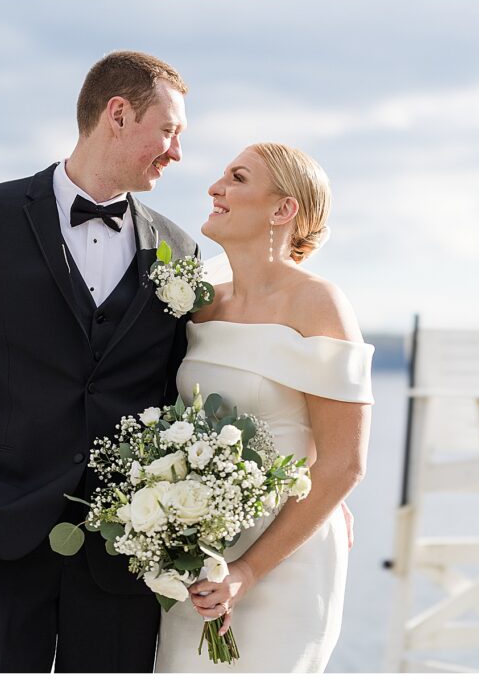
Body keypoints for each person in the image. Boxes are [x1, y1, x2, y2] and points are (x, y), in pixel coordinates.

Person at [0, 50, 196, 672]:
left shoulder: (179, 247)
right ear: (117, 114)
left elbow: (181, 396)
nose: (177, 153)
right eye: (169, 131)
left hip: (124, 549)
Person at [154, 143, 374, 672]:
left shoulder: (318, 304)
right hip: (197, 559)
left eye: (238, 178)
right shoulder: (201, 300)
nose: (214, 187)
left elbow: (345, 462)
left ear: (283, 209)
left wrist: (246, 572)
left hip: (284, 565)